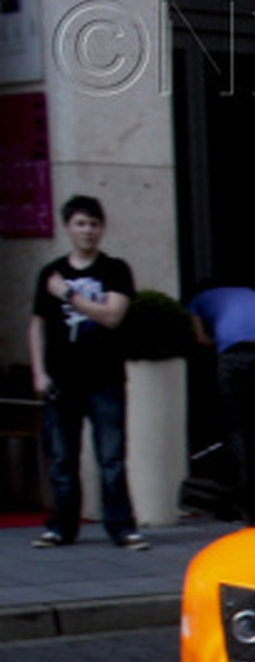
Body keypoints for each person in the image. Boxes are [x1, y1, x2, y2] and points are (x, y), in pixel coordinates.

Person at [26, 194, 144, 549]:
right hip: (62, 378)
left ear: (102, 228)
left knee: (111, 458)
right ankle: (61, 527)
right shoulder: (50, 272)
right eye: (80, 223)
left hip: (104, 378)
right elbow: (37, 324)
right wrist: (39, 372)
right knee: (62, 458)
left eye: (94, 224)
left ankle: (122, 528)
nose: (88, 230)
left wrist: (69, 295)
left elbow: (112, 316)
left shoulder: (115, 270)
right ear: (68, 228)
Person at [188, 279, 255, 494]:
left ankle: (242, 484)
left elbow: (200, 338)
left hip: (235, 353)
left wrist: (219, 342)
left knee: (236, 422)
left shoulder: (197, 301)